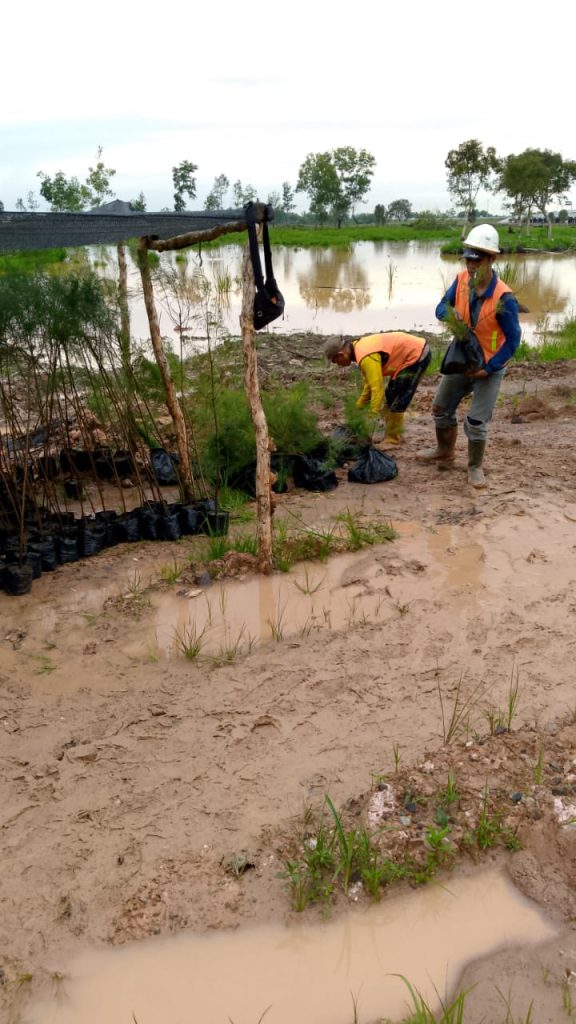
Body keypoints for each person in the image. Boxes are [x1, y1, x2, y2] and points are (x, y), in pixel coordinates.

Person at [417, 224, 521, 488]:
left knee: (476, 422)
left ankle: (475, 466)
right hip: (462, 361)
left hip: (489, 367)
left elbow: (513, 340)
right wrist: (451, 315)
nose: (472, 263)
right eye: (468, 256)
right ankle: (445, 451)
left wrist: (490, 367)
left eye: (478, 257)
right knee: (440, 408)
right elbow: (442, 306)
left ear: (492, 259)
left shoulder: (504, 298)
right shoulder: (461, 280)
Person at [324, 331, 431, 445]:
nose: (337, 364)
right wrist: (357, 408)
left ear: (341, 354)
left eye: (335, 361)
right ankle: (392, 434)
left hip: (418, 354)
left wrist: (373, 414)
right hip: (409, 355)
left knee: (399, 399)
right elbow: (368, 387)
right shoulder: (359, 352)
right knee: (391, 394)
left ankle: (393, 440)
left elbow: (377, 388)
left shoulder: (365, 356)